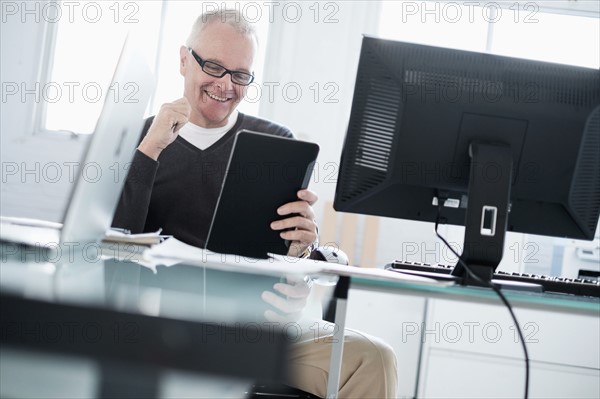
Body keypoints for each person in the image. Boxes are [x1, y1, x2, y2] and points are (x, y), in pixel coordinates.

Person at [112, 8, 397, 398]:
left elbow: (289, 264)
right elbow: (114, 249)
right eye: (213, 66)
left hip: (256, 328)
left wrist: (301, 255)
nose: (226, 84)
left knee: (373, 358)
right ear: (183, 60)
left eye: (241, 74)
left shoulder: (275, 142)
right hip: (166, 323)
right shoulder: (139, 139)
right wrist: (150, 152)